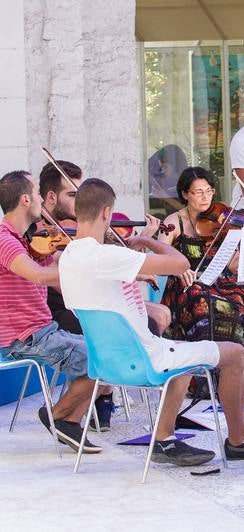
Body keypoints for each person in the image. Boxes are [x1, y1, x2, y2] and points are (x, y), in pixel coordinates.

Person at [59, 177, 244, 467]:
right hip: (145, 358)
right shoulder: (107, 255)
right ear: (106, 213)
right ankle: (238, 441)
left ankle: (164, 437)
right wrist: (150, 240)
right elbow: (180, 264)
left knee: (182, 350)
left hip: (107, 364)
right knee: (234, 353)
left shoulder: (69, 257)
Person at [39, 159, 171, 429]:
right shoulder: (43, 236)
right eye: (73, 194)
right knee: (132, 326)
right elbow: (70, 280)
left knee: (151, 316)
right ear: (51, 197)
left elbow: (107, 270)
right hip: (59, 311)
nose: (81, 201)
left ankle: (105, 394)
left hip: (86, 303)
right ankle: (101, 394)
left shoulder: (79, 234)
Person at [0, 170, 102, 454]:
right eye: (36, 196)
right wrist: (80, 272)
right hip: (25, 339)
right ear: (24, 200)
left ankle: (68, 420)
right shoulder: (5, 241)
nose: (41, 202)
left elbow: (56, 259)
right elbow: (38, 275)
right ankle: (58, 415)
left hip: (43, 332)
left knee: (105, 350)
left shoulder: (24, 240)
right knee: (103, 360)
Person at [159, 167, 244, 349]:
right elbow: (161, 259)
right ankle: (203, 367)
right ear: (185, 194)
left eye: (209, 191)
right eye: (198, 192)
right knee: (201, 301)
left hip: (223, 286)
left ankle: (228, 364)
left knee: (235, 305)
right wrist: (179, 270)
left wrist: (237, 264)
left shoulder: (222, 220)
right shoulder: (173, 222)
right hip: (186, 288)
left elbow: (233, 266)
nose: (205, 197)